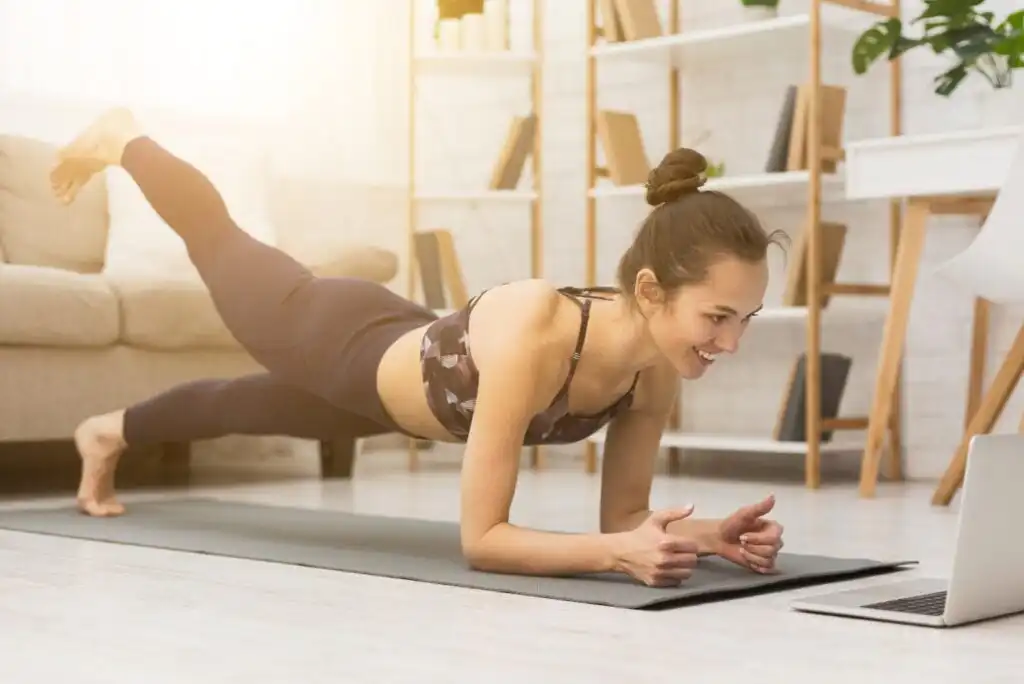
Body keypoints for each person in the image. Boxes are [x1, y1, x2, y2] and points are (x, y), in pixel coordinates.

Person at [50, 108, 787, 588]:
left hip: (394, 373)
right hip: (334, 334)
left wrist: (706, 536)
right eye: (718, 316)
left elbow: (624, 519)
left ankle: (105, 430)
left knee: (243, 404)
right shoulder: (541, 328)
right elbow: (483, 539)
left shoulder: (654, 373)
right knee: (220, 240)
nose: (731, 341)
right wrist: (615, 556)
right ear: (654, 292)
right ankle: (123, 139)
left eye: (746, 319)